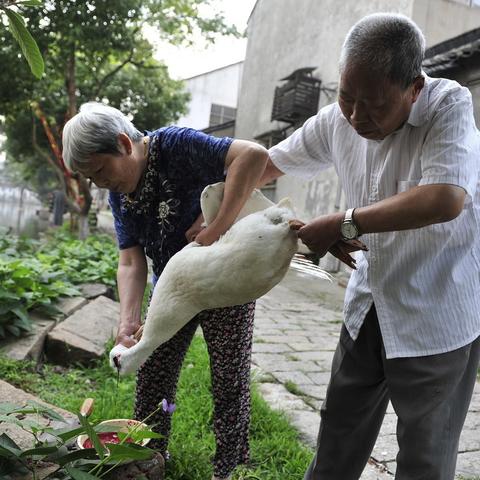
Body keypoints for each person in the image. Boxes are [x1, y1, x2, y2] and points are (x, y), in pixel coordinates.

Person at [259, 13, 480, 480]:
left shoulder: (448, 104)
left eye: (375, 104)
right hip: (370, 302)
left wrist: (343, 224)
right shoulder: (337, 120)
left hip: (436, 308)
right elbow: (267, 165)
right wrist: (213, 205)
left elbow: (445, 197)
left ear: (414, 89)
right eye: (346, 97)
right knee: (339, 428)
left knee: (425, 454)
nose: (357, 117)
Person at [62, 102, 269, 480]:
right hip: (172, 290)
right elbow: (130, 261)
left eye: (99, 171)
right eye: (89, 178)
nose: (98, 183)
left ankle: (230, 467)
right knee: (153, 367)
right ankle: (149, 457)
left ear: (124, 143)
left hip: (224, 282)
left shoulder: (174, 145)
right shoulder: (119, 194)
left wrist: (217, 226)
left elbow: (253, 157)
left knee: (228, 377)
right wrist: (128, 320)